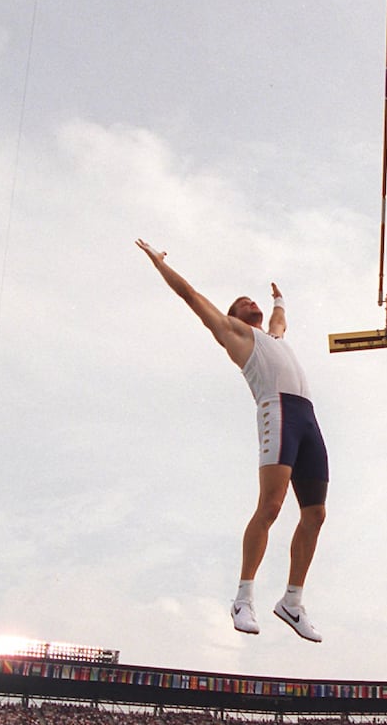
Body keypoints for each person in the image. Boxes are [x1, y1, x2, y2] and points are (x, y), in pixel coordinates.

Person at [136, 239, 328, 642]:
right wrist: (159, 264)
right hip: (278, 412)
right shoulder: (234, 334)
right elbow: (190, 295)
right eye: (242, 301)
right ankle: (243, 597)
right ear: (232, 315)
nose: (250, 303)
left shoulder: (274, 338)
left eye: (252, 301)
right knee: (271, 507)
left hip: (308, 418)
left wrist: (280, 298)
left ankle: (292, 602)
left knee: (315, 515)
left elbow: (279, 321)